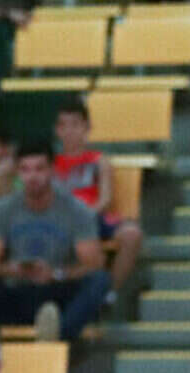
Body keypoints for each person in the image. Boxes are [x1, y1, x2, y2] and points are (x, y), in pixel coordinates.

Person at [0, 139, 110, 342]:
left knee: (99, 280)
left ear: (52, 171)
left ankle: (58, 334)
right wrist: (13, 269)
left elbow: (93, 263)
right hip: (16, 291)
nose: (32, 177)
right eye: (25, 170)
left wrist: (56, 274)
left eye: (39, 169)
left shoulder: (76, 209)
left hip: (57, 293)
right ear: (17, 173)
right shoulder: (4, 208)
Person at [54, 98, 143, 296]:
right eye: (63, 125)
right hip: (58, 220)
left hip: (92, 217)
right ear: (57, 130)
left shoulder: (99, 161)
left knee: (132, 234)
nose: (69, 131)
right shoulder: (50, 163)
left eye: (75, 125)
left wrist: (85, 215)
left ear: (87, 128)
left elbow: (105, 200)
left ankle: (109, 292)